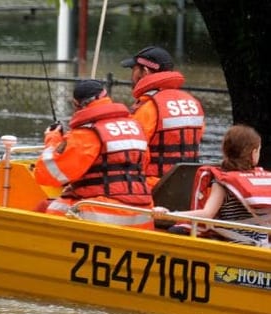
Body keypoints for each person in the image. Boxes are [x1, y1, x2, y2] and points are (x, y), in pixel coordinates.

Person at [34, 79, 154, 229]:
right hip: (142, 214)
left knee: (51, 206)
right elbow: (143, 164)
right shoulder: (134, 127)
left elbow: (47, 174)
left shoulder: (86, 133)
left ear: (76, 105)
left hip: (102, 214)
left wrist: (52, 139)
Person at [153, 124, 271, 247]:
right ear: (253, 153)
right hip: (262, 245)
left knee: (175, 230)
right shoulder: (264, 180)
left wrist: (171, 214)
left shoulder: (222, 181)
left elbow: (207, 214)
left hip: (235, 243)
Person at [121, 45, 205, 190]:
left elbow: (130, 154)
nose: (131, 76)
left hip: (154, 187)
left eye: (133, 70)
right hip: (189, 186)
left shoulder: (148, 108)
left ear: (145, 71)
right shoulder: (193, 102)